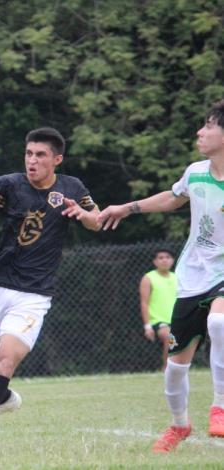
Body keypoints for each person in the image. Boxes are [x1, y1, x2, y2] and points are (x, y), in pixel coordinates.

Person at [0, 127, 101, 460]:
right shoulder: (7, 184)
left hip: (33, 295)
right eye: (29, 154)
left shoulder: (72, 188)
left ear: (57, 160)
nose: (32, 161)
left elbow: (97, 220)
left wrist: (84, 214)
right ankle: (4, 399)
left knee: (5, 359)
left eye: (40, 155)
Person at [98, 100, 224, 452]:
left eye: (209, 125)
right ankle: (179, 426)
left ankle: (220, 405)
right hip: (193, 274)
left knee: (219, 324)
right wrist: (127, 207)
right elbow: (172, 198)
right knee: (175, 367)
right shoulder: (196, 171)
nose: (200, 131)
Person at [139, 249, 177, 371]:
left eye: (167, 257)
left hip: (178, 319)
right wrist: (147, 326)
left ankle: (178, 368)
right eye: (160, 258)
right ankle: (166, 368)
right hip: (159, 321)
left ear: (172, 260)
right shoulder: (149, 277)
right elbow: (144, 302)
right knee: (169, 336)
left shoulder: (178, 277)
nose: (164, 260)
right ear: (155, 261)